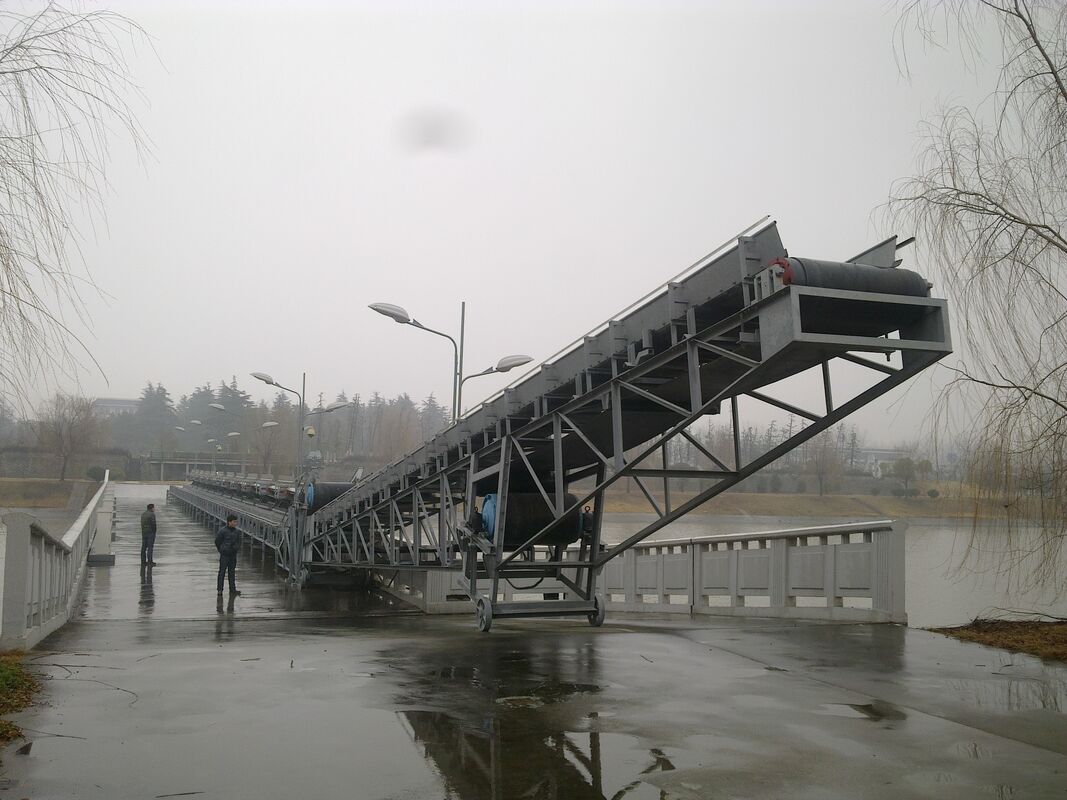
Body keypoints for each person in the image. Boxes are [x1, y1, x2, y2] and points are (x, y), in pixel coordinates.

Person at [214, 514, 242, 597]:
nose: (236, 523)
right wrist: (221, 550)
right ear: (229, 522)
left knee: (232, 572)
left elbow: (238, 541)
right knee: (222, 572)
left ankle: (232, 589)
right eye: (234, 522)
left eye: (236, 522)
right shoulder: (222, 531)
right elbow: (217, 541)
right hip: (225, 555)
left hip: (233, 555)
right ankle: (220, 590)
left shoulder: (237, 532)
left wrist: (236, 548)